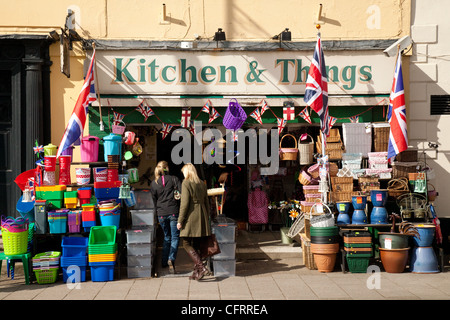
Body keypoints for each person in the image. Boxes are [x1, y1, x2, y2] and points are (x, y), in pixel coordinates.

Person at [177, 163, 211, 280]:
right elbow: (207, 202)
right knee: (196, 244)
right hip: (202, 215)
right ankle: (197, 272)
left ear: (187, 172)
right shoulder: (201, 183)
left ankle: (201, 267)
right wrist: (207, 217)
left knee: (186, 243)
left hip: (191, 216)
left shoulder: (186, 183)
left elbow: (184, 204)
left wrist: (180, 220)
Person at [150, 161, 182, 274]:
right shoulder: (174, 179)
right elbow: (181, 194)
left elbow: (154, 201)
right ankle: (171, 259)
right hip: (173, 211)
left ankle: (164, 262)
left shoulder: (153, 183)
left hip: (161, 213)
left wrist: (158, 212)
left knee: (166, 237)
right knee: (175, 237)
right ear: (167, 168)